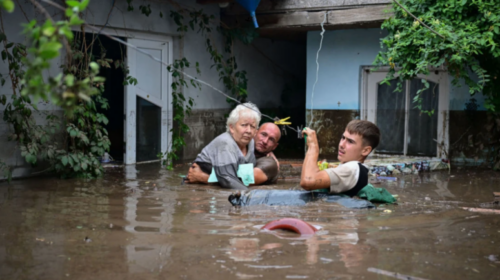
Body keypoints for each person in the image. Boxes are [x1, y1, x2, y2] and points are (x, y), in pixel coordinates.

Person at [185, 103, 261, 189]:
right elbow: (227, 180)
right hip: (198, 190)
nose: (249, 131)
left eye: (252, 126)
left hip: (212, 184)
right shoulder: (226, 143)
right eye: (244, 125)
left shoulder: (251, 144)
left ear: (256, 132)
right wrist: (252, 197)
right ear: (232, 127)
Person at [300, 120, 380, 196]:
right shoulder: (358, 169)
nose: (342, 144)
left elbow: (308, 181)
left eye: (350, 141)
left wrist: (313, 146)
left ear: (365, 150)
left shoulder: (351, 168)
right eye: (343, 137)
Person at [186, 122, 282, 186]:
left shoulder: (270, 163)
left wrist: (203, 177)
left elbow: (243, 182)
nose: (265, 141)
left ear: (274, 146)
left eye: (271, 139)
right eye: (263, 134)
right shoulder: (241, 147)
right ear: (255, 133)